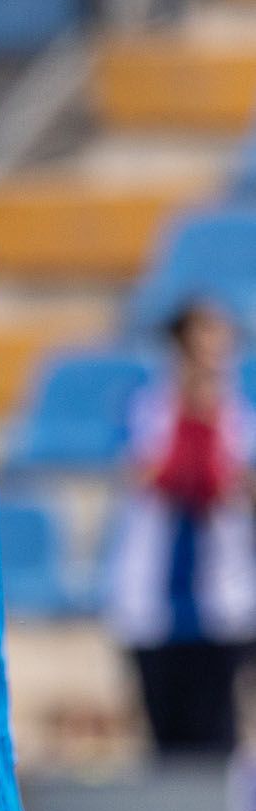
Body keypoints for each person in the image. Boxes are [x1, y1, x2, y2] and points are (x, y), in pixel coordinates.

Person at [108, 300, 256, 755]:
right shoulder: (144, 412)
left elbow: (225, 489)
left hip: (223, 607)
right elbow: (160, 476)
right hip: (153, 604)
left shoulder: (241, 423)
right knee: (165, 749)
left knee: (217, 745)